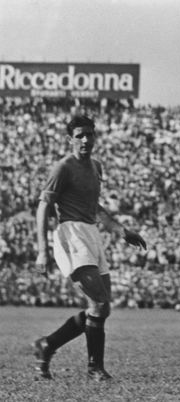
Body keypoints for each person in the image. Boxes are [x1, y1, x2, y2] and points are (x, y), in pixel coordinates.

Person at [33, 115, 147, 381]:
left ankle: (47, 345)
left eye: (90, 134)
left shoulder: (96, 166)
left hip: (92, 234)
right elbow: (43, 206)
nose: (86, 139)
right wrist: (42, 250)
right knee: (98, 302)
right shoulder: (63, 168)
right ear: (70, 139)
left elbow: (96, 207)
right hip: (71, 234)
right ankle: (95, 368)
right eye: (80, 135)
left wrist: (122, 231)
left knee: (102, 308)